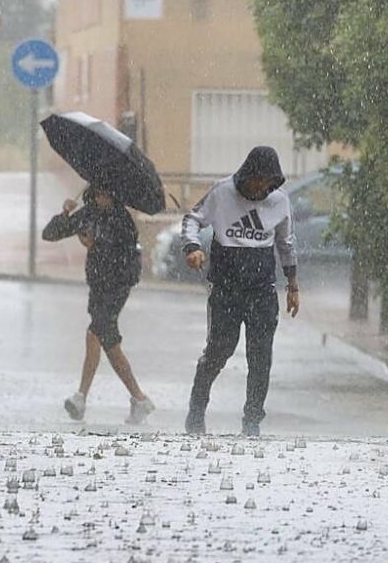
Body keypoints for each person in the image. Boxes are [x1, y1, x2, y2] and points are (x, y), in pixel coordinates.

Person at [181, 146, 300, 437]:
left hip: (262, 290)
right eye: (256, 180)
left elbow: (286, 243)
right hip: (226, 288)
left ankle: (252, 420)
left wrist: (293, 284)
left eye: (267, 183)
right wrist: (193, 248)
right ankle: (197, 410)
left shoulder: (279, 202)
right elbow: (191, 219)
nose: (260, 187)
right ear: (246, 175)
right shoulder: (222, 193)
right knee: (219, 350)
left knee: (260, 357)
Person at [43, 186, 155, 425]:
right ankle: (136, 399)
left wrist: (96, 244)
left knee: (99, 334)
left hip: (116, 286)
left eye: (106, 194)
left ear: (114, 194)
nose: (101, 198)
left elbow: (123, 254)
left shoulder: (122, 218)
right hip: (97, 284)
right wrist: (65, 214)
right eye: (98, 194)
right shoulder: (89, 213)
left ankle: (85, 397)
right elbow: (50, 234)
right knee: (103, 338)